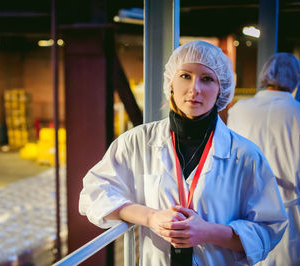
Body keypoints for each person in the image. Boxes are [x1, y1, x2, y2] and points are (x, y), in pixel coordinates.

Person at [79, 40, 287, 265]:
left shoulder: (245, 155)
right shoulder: (137, 142)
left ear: (221, 89)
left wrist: (207, 232)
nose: (194, 89)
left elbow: (269, 228)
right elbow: (94, 192)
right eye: (185, 76)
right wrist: (150, 217)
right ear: (171, 82)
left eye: (207, 79)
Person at [227, 52, 300, 265]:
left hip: (245, 215)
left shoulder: (239, 109)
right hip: (291, 216)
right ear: (297, 79)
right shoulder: (299, 114)